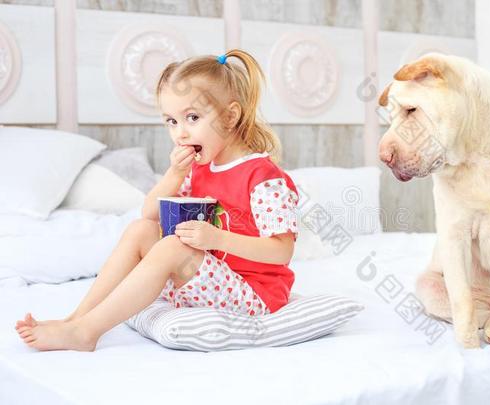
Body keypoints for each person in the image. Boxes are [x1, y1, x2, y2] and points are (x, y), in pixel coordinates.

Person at [15, 49, 300, 351]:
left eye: (192, 117)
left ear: (230, 117)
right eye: (171, 121)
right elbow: (148, 212)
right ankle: (75, 319)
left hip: (252, 294)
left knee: (173, 247)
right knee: (141, 229)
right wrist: (175, 174)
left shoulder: (263, 177)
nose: (180, 133)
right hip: (209, 278)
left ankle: (87, 332)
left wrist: (218, 237)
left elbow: (282, 251)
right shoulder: (200, 167)